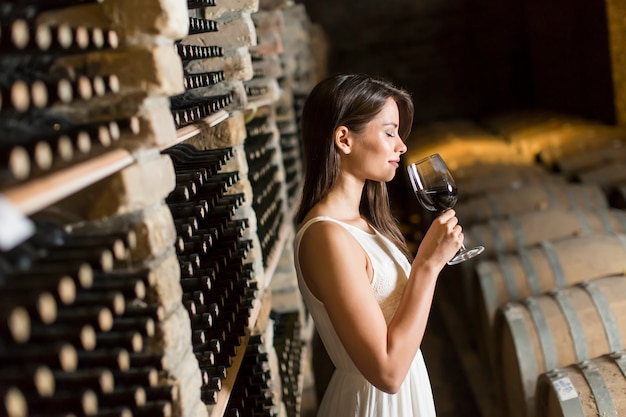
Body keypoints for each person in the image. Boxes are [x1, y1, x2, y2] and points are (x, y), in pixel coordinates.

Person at [293, 73, 464, 416]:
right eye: (389, 132)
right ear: (344, 139)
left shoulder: (364, 224)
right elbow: (386, 372)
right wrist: (428, 266)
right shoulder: (326, 237)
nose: (401, 145)